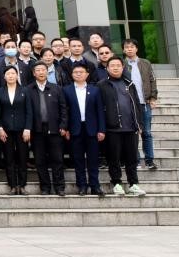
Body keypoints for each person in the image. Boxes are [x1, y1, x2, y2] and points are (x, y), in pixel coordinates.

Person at [98, 58, 146, 196]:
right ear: (107, 68)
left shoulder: (129, 83)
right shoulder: (102, 85)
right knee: (114, 158)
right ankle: (117, 183)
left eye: (118, 66)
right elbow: (99, 108)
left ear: (122, 67)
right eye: (112, 66)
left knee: (132, 158)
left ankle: (133, 184)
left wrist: (139, 124)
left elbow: (137, 104)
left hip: (131, 127)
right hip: (112, 129)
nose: (115, 68)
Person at [62, 63, 107, 196]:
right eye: (76, 72)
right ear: (72, 75)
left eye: (81, 72)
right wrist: (66, 128)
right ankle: (82, 185)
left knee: (93, 159)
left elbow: (100, 111)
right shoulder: (66, 90)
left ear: (87, 74)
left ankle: (95, 185)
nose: (79, 74)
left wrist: (102, 130)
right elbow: (65, 111)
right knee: (78, 159)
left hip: (92, 129)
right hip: (75, 129)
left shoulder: (95, 90)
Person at [28, 62, 68, 195]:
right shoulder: (29, 89)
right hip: (37, 130)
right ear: (34, 73)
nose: (40, 72)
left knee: (57, 159)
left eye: (43, 70)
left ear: (47, 72)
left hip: (55, 129)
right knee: (39, 160)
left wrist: (63, 125)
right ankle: (45, 187)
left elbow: (64, 109)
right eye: (37, 70)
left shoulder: (56, 88)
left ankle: (59, 187)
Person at [122, 38, 158, 170]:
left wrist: (153, 97)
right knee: (133, 133)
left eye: (132, 47)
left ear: (136, 49)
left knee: (147, 132)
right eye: (127, 47)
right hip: (129, 105)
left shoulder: (145, 63)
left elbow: (152, 80)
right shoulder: (121, 64)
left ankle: (149, 160)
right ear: (123, 50)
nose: (129, 49)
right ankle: (135, 160)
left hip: (145, 102)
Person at [0, 64, 32, 195]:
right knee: (9, 158)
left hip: (22, 129)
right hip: (5, 130)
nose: (11, 76)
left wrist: (28, 128)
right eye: (8, 74)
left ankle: (22, 185)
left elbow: (29, 111)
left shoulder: (25, 90)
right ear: (4, 77)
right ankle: (12, 185)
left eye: (13, 73)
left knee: (23, 157)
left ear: (17, 75)